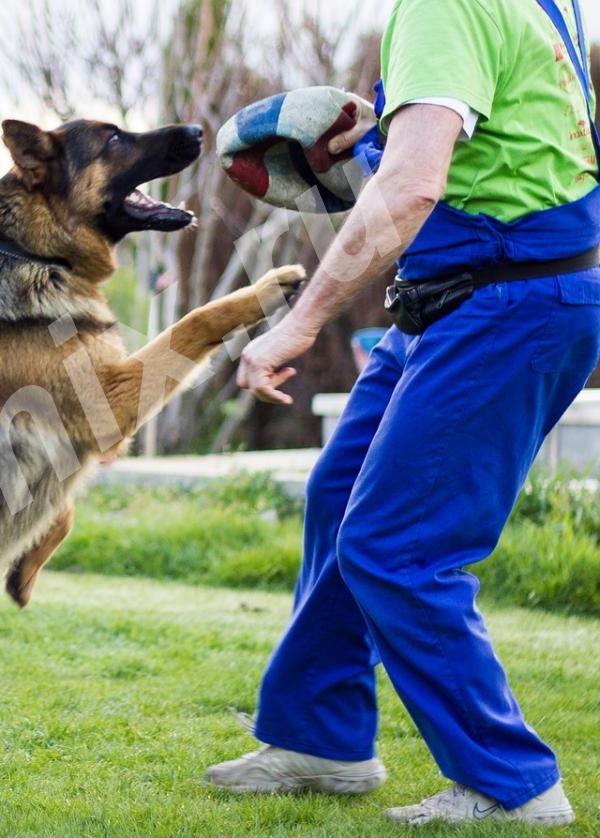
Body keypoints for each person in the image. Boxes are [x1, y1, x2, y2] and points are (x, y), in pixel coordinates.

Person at [213, 0, 600, 827]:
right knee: (338, 494)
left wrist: (301, 320)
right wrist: (379, 133)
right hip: (464, 294)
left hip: (506, 300)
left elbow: (417, 185)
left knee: (398, 546)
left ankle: (514, 786)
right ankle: (322, 740)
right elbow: (496, 154)